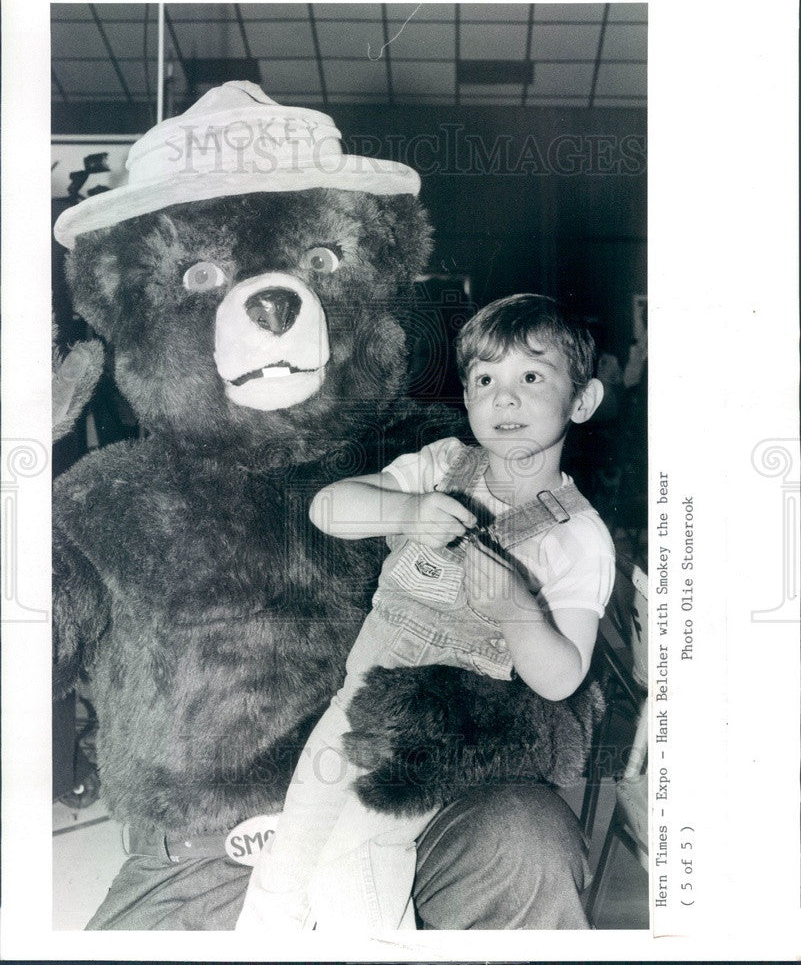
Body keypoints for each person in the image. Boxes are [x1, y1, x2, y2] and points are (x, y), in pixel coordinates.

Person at [236, 293, 615, 933]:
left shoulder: (578, 536)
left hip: (445, 727)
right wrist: (406, 513)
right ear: (466, 399)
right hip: (359, 700)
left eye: (532, 376)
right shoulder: (442, 465)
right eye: (485, 379)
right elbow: (326, 509)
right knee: (292, 862)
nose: (505, 398)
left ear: (582, 400)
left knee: (351, 862)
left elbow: (561, 677)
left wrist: (518, 609)